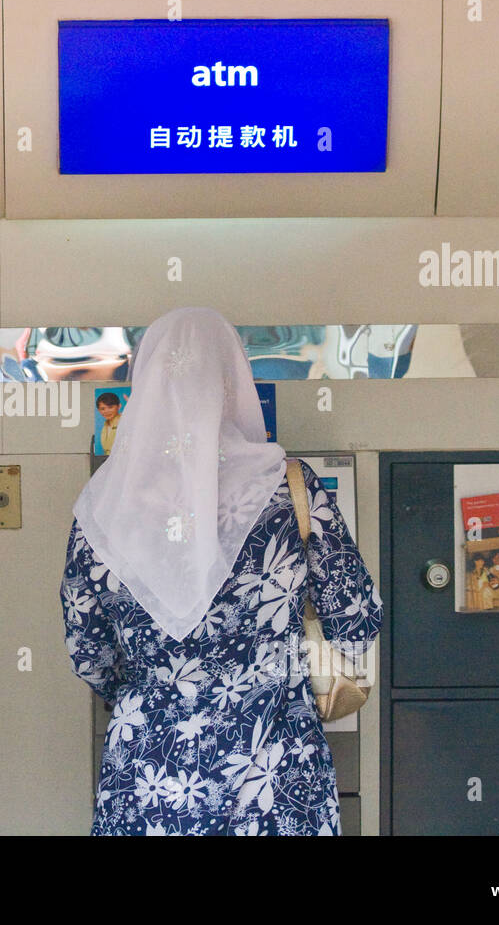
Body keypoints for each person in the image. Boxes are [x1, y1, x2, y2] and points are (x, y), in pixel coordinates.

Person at [60, 307, 383, 836]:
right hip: (273, 767)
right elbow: (356, 622)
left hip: (148, 771)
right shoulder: (292, 488)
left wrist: (157, 686)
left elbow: (87, 650)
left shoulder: (103, 505)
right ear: (235, 383)